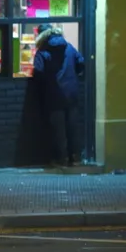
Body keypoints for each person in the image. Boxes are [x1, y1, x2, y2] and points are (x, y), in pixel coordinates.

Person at [33, 23, 85, 167]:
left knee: (58, 129)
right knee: (72, 126)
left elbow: (38, 73)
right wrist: (74, 76)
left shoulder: (43, 51)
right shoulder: (69, 47)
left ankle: (62, 159)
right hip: (72, 93)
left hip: (54, 94)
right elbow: (81, 62)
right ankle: (75, 157)